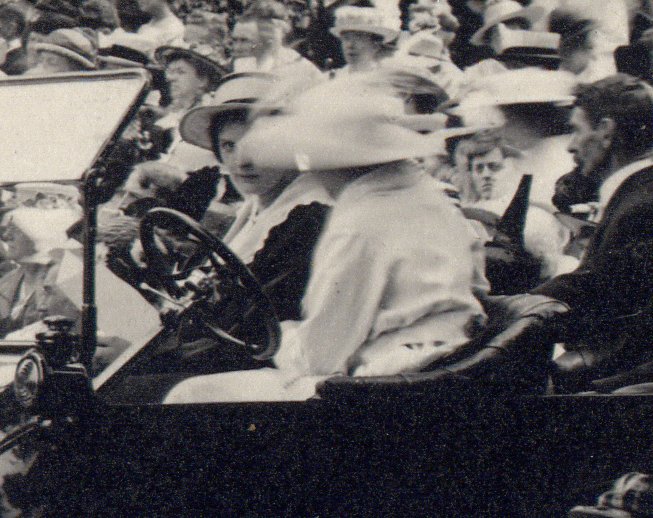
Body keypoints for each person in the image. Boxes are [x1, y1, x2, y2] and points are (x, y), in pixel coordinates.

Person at [169, 76, 484, 398]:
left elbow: (317, 358)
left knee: (189, 394)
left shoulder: (359, 223)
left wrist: (281, 335)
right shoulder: (424, 195)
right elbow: (479, 284)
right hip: (438, 361)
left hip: (382, 385)